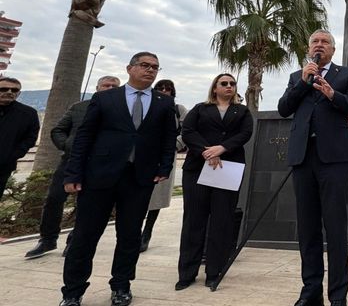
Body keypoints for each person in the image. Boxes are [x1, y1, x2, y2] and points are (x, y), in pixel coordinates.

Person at [59, 52, 178, 306]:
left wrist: (165, 167)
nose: (150, 70)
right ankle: (72, 291)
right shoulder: (105, 98)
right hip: (99, 176)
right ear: (129, 68)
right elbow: (84, 137)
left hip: (139, 178)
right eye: (144, 66)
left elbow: (168, 140)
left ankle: (121, 286)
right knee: (85, 235)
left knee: (130, 236)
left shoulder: (163, 103)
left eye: (155, 67)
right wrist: (73, 173)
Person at [278, 30, 348, 306]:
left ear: (333, 50)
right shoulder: (297, 76)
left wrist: (332, 94)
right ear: (308, 48)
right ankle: (311, 290)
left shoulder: (345, 74)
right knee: (308, 228)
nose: (319, 45)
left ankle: (338, 296)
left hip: (335, 160)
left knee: (335, 228)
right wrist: (304, 82)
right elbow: (283, 108)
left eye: (325, 42)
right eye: (315, 41)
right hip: (303, 158)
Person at [25, 75, 121, 259]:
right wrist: (69, 145)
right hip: (71, 160)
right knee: (54, 198)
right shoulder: (79, 107)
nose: (109, 88)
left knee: (88, 205)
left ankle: (74, 241)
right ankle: (47, 239)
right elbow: (58, 130)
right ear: (97, 87)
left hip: (100, 164)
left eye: (114, 86)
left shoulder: (121, 111)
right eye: (106, 85)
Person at [176, 73, 253, 290]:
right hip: (198, 170)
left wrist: (222, 148)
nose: (229, 86)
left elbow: (245, 133)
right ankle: (187, 273)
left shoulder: (243, 111)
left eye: (232, 83)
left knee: (222, 220)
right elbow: (188, 131)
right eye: (224, 83)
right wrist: (207, 152)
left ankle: (213, 271)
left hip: (227, 169)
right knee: (194, 221)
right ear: (215, 88)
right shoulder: (200, 108)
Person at [140, 79, 187, 253]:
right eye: (160, 88)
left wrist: (173, 146)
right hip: (143, 155)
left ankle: (147, 233)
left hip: (165, 157)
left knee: (156, 198)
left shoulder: (178, 109)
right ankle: (136, 232)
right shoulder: (147, 106)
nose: (164, 91)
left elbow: (186, 131)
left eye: (168, 88)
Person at [0, 76, 39, 201]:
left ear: (19, 93)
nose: (9, 92)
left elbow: (31, 138)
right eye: (4, 88)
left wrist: (14, 154)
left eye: (14, 90)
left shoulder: (28, 113)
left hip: (3, 166)